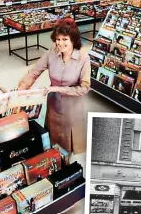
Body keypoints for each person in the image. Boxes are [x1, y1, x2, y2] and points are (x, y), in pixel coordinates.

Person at [17, 18, 91, 154]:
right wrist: (20, 90)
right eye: (58, 39)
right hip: (53, 103)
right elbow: (34, 72)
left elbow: (84, 88)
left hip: (72, 107)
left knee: (69, 142)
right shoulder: (52, 52)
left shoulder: (83, 58)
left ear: (73, 39)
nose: (60, 43)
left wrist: (57, 88)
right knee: (53, 137)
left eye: (64, 39)